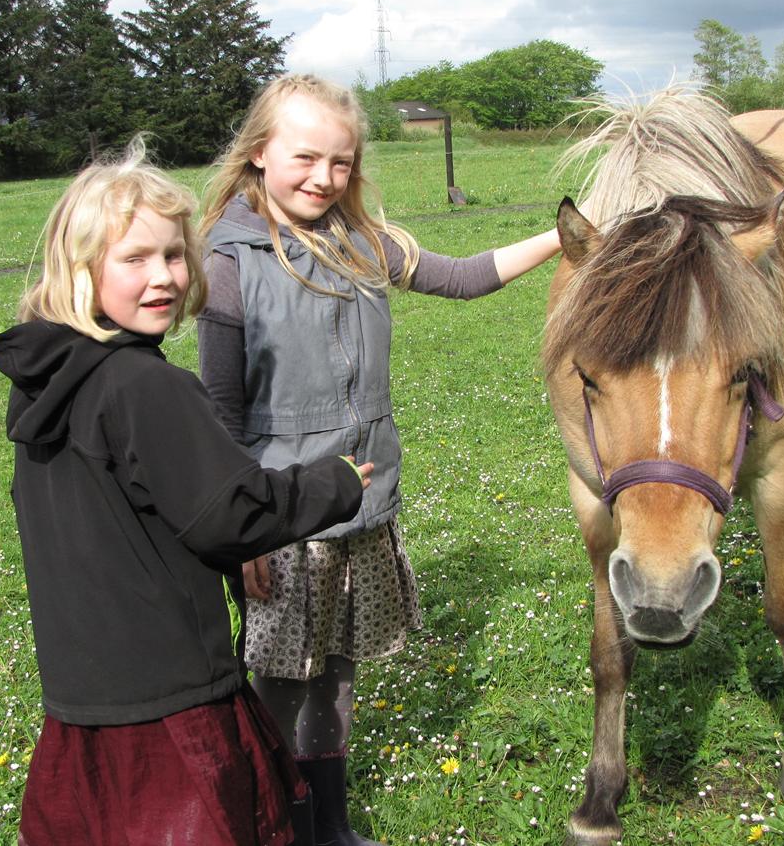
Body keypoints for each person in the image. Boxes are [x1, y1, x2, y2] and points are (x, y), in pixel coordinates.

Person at [197, 74, 562, 846]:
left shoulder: (360, 239)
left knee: (335, 673)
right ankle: (268, 822)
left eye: (341, 162)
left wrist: (565, 236)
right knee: (279, 681)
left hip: (360, 505)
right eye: (305, 158)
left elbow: (462, 278)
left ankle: (330, 824)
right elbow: (221, 413)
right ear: (260, 153)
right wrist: (248, 534)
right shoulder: (228, 261)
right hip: (284, 518)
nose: (323, 178)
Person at [0, 136, 373, 846]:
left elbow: (141, 514)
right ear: (79, 269)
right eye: (133, 259)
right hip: (172, 700)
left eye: (172, 254)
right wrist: (336, 483)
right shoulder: (146, 386)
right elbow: (230, 515)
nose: (162, 276)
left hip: (81, 698)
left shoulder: (48, 383)